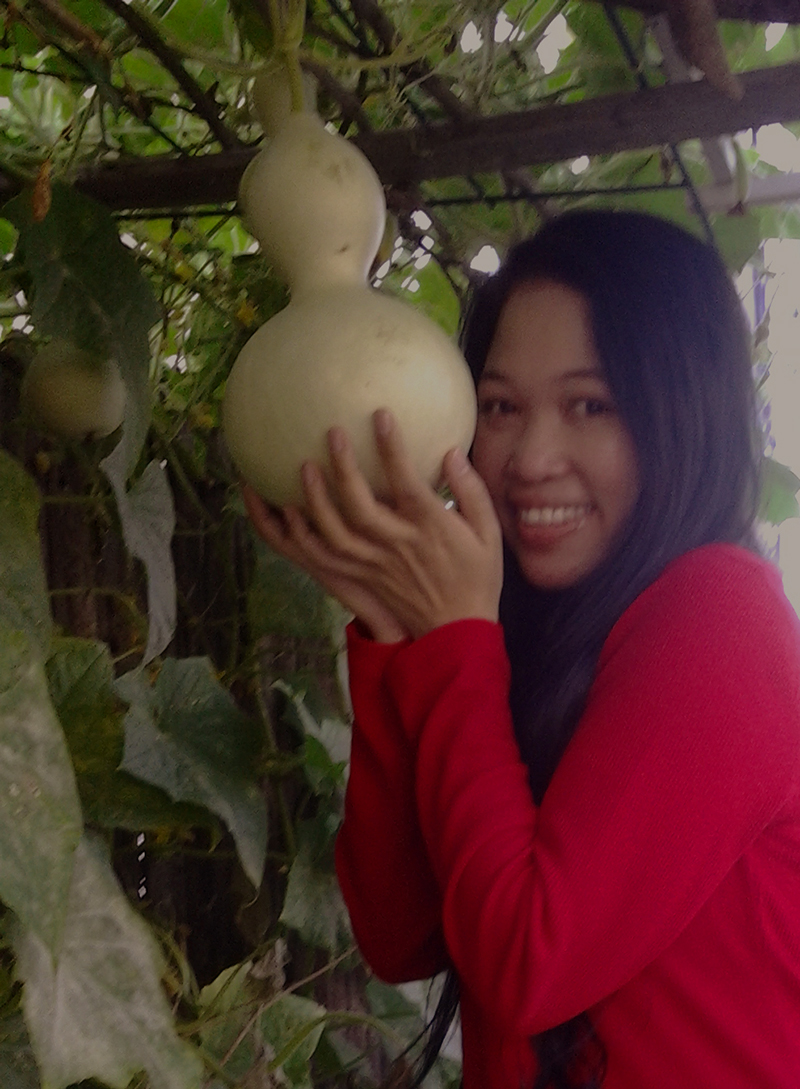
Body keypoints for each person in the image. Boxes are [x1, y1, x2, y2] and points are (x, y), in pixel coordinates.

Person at [244, 209, 800, 1089]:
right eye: (501, 405)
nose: (532, 457)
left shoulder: (720, 614)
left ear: (682, 411)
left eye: (590, 404)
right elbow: (401, 933)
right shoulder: (536, 622)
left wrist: (454, 642)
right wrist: (397, 633)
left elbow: (529, 965)